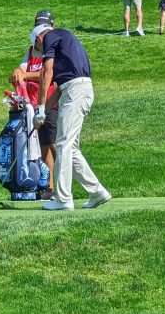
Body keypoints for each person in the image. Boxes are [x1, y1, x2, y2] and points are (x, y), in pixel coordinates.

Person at [31, 21, 111, 211]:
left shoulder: (50, 36)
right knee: (71, 148)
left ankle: (63, 198)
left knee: (63, 144)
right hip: (77, 90)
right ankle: (97, 191)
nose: (40, 52)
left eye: (38, 47)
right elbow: (58, 89)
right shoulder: (64, 44)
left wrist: (41, 107)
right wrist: (41, 112)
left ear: (39, 37)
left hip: (76, 91)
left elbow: (46, 72)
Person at [10, 10, 60, 196]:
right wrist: (17, 71)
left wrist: (25, 75)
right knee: (39, 146)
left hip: (50, 101)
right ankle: (45, 186)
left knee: (51, 144)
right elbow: (20, 71)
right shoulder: (31, 50)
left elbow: (48, 74)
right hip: (32, 105)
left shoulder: (53, 47)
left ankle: (53, 187)